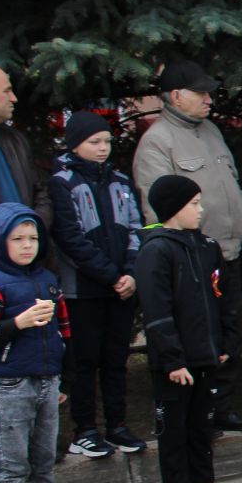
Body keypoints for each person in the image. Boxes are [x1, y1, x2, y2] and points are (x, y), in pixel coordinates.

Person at [132, 59, 242, 433]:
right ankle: (199, 413)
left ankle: (222, 407)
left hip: (227, 251)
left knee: (230, 330)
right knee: (200, 334)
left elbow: (230, 182)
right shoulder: (157, 141)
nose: (209, 99)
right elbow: (158, 207)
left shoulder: (211, 131)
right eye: (201, 93)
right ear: (175, 96)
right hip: (192, 258)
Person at [135, 176, 242, 483]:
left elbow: (224, 296)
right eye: (194, 204)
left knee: (202, 425)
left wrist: (228, 341)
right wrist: (171, 358)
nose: (201, 209)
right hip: (176, 362)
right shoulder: (156, 249)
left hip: (205, 354)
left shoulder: (206, 246)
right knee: (175, 428)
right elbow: (157, 309)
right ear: (172, 209)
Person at [49, 112, 146, 458]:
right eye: (94, 142)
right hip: (84, 289)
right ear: (75, 144)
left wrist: (130, 273)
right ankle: (85, 429)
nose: (103, 148)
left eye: (106, 141)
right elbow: (70, 238)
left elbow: (136, 227)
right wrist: (110, 275)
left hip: (122, 285)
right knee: (85, 360)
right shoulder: (62, 182)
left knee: (116, 358)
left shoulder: (119, 180)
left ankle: (117, 425)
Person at [0, 204, 70, 483]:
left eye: (33, 238)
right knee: (12, 461)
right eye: (17, 239)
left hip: (47, 380)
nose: (26, 245)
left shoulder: (49, 282)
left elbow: (63, 332)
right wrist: (17, 323)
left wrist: (60, 378)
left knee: (42, 458)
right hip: (10, 383)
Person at [0, 65, 50, 228]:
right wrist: (4, 233)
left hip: (26, 247)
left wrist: (34, 227)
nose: (13, 98)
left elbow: (40, 192)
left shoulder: (15, 139)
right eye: (6, 91)